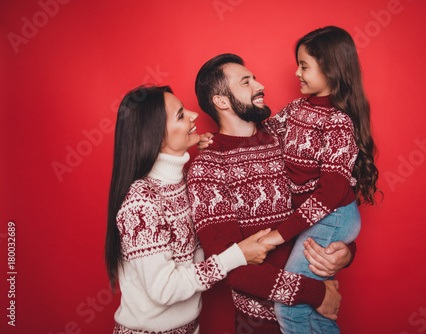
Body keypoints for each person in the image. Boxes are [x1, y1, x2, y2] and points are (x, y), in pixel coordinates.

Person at [188, 54, 355, 333]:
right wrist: (316, 293)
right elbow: (227, 263)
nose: (260, 85)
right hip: (259, 324)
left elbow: (329, 202)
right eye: (246, 82)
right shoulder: (207, 167)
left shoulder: (284, 138)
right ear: (222, 101)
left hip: (315, 316)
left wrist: (345, 251)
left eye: (254, 78)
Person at [104, 85, 275, 334]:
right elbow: (164, 288)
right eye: (181, 115)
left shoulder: (185, 180)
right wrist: (237, 255)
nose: (194, 115)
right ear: (158, 137)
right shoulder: (140, 201)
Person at [255, 26, 381, 333]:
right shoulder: (298, 108)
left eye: (304, 66)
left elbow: (329, 195)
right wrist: (215, 138)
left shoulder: (338, 122)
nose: (297, 73)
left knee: (289, 303)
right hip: (313, 217)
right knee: (313, 310)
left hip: (333, 216)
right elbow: (264, 135)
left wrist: (278, 236)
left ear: (330, 69)